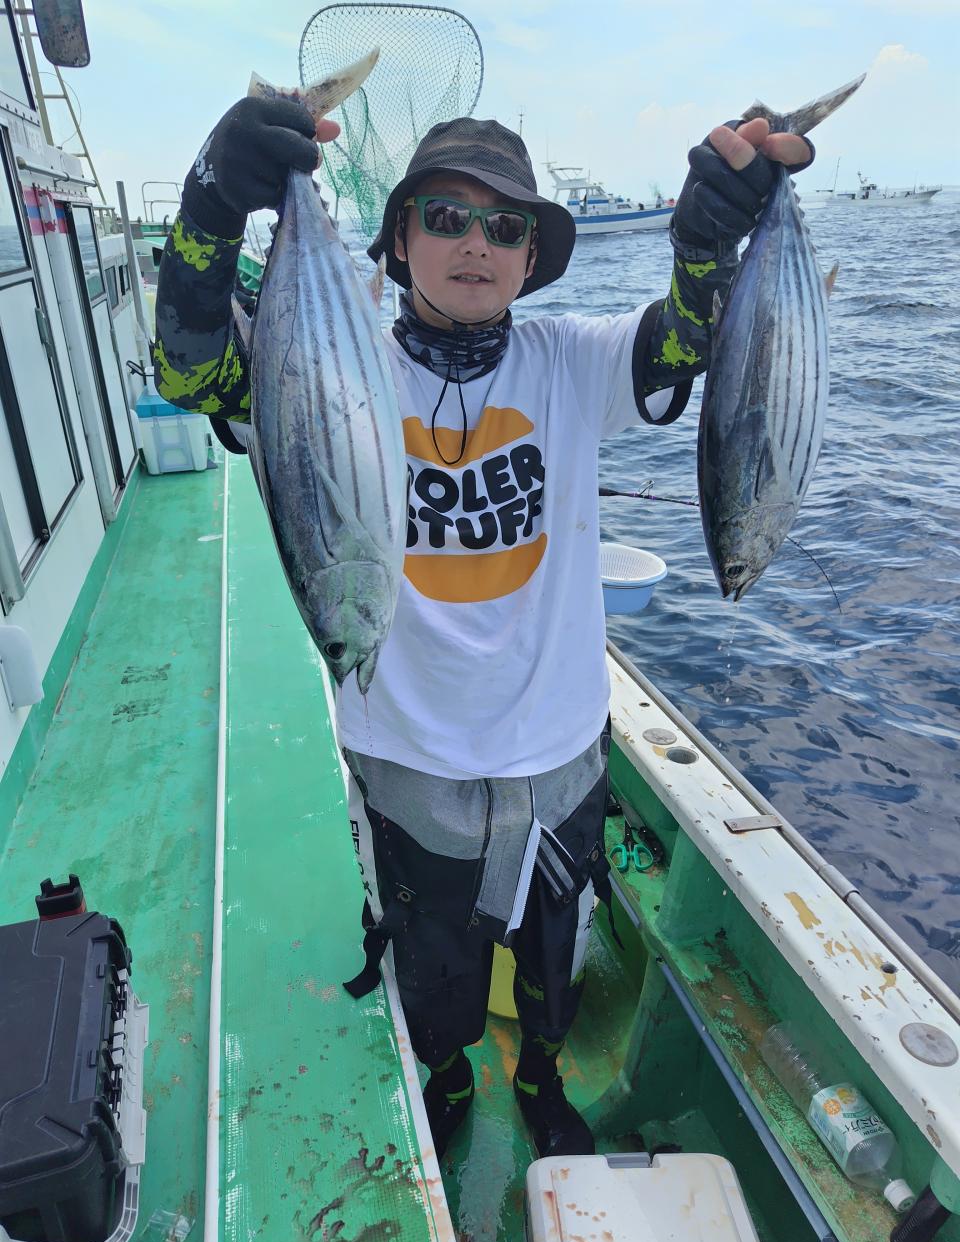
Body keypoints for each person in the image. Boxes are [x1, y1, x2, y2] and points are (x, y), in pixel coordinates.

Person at [154, 95, 811, 1161]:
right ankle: (450, 1070)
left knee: (556, 952)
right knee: (434, 961)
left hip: (559, 753)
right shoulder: (337, 364)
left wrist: (705, 245)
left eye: (505, 227)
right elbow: (192, 372)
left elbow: (682, 345)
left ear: (530, 258)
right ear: (399, 239)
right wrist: (209, 204)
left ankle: (541, 1074)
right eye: (448, 217)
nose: (477, 244)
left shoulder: (569, 362)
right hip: (409, 759)